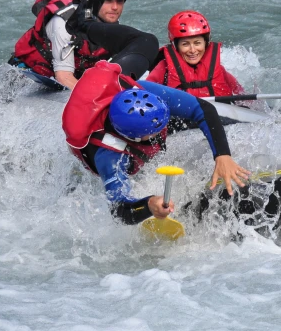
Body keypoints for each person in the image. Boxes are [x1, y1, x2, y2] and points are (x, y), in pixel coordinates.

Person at [62, 60, 251, 224]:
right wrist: (148, 204)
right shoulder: (110, 157)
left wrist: (222, 155)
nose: (164, 129)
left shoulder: (142, 91)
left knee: (198, 119)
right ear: (134, 138)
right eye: (156, 130)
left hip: (134, 117)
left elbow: (203, 109)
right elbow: (119, 210)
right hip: (107, 148)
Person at [10, 0, 156, 88]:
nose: (115, 7)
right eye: (108, 0)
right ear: (95, 0)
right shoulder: (63, 22)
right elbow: (64, 76)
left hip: (64, 78)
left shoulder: (109, 23)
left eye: (120, 1)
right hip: (25, 75)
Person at [146, 10, 245, 97]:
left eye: (197, 43)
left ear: (206, 43)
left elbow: (243, 96)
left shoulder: (219, 70)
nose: (193, 50)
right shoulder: (164, 68)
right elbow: (144, 93)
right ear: (176, 46)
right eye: (185, 44)